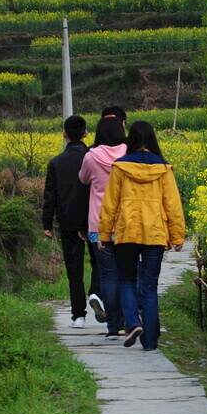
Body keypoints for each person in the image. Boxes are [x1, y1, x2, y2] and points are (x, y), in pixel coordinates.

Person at [98, 121, 185, 350]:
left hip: (127, 232)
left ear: (131, 140)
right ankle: (150, 341)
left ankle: (134, 323)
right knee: (149, 286)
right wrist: (177, 236)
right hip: (155, 234)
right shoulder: (163, 168)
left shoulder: (120, 167)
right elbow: (173, 205)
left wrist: (104, 235)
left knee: (126, 279)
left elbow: (109, 205)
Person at [42, 115, 95, 328]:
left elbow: (50, 195)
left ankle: (78, 315)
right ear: (86, 134)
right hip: (93, 218)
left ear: (64, 134)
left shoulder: (56, 162)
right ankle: (97, 296)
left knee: (74, 268)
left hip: (68, 220)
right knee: (98, 262)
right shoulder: (94, 157)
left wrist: (47, 224)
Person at [79, 115, 128, 338]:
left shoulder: (91, 156)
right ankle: (130, 320)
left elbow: (83, 179)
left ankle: (112, 326)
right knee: (128, 275)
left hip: (99, 226)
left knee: (108, 277)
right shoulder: (129, 153)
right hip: (127, 225)